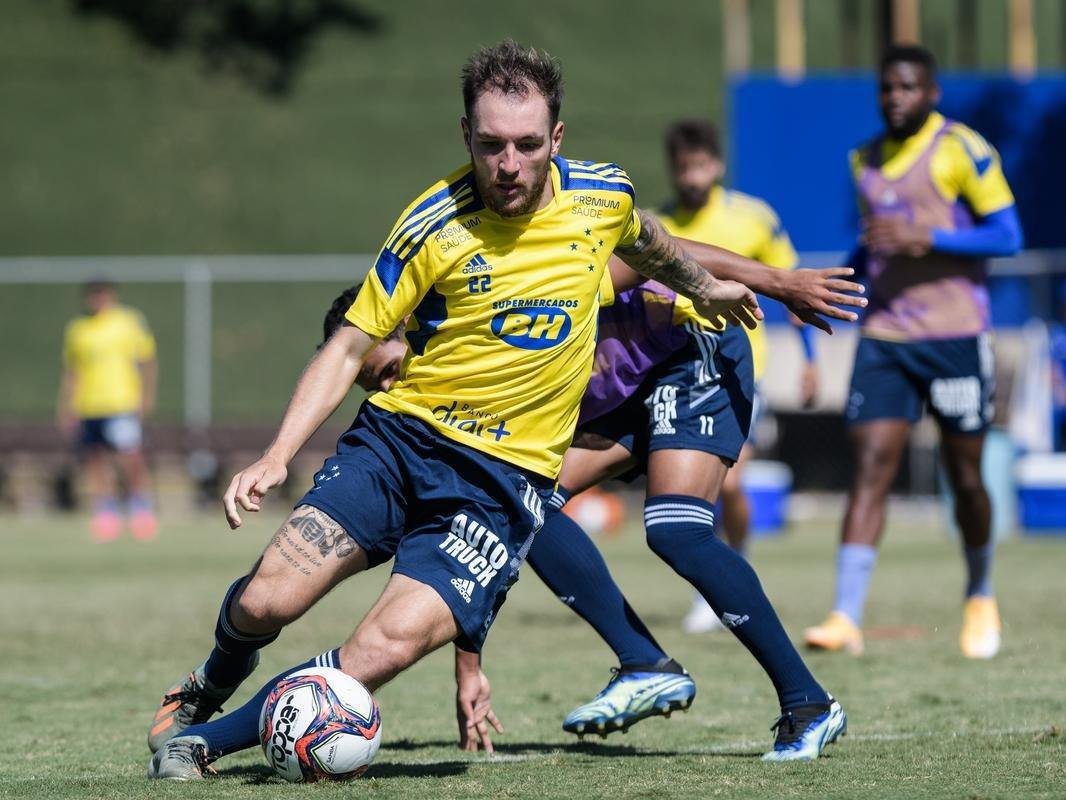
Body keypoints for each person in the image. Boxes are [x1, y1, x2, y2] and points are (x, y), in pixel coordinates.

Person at [145, 39, 764, 779]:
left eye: (528, 145)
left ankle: (198, 748)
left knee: (383, 650)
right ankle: (209, 686)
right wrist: (277, 455)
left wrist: (703, 286)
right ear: (465, 135)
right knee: (266, 601)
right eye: (492, 144)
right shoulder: (430, 223)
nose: (509, 164)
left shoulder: (603, 197)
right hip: (400, 445)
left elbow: (651, 242)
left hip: (501, 485)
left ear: (556, 139)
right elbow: (348, 347)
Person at [803, 45, 1023, 660]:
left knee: (966, 475)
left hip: (955, 337)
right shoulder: (863, 159)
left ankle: (980, 595)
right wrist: (833, 286)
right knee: (871, 466)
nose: (895, 97)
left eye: (907, 87)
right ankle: (845, 616)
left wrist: (930, 236)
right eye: (886, 88)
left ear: (931, 93)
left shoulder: (964, 149)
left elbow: (1008, 234)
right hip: (886, 337)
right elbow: (874, 243)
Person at [651, 119, 819, 635]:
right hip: (679, 371)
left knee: (735, 484)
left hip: (740, 371)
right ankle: (716, 588)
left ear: (717, 165)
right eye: (684, 168)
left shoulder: (754, 219)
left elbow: (791, 290)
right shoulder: (656, 225)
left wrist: (810, 359)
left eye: (701, 166)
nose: (693, 177)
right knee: (688, 500)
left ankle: (734, 566)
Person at [57, 279, 159, 541]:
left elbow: (147, 360)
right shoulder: (78, 328)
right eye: (92, 294)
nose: (97, 299)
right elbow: (72, 370)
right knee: (96, 461)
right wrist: (66, 404)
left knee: (130, 458)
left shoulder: (128, 321)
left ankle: (140, 509)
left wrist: (146, 396)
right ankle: (106, 513)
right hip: (89, 405)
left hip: (121, 402)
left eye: (101, 294)